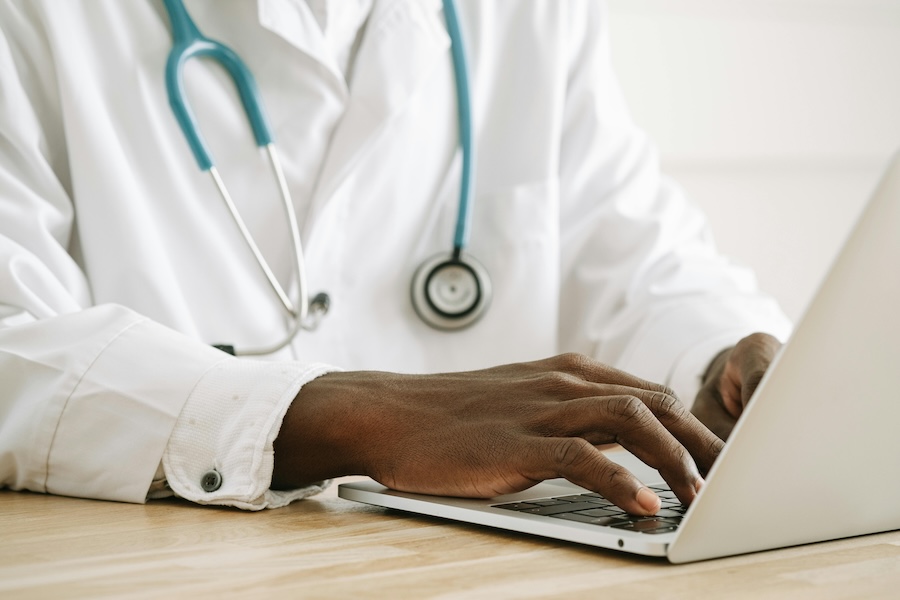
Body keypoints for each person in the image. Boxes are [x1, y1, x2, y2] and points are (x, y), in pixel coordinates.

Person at [0, 0, 790, 516]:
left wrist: (714, 366)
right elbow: (12, 344)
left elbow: (631, 246)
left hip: (464, 567)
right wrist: (341, 418)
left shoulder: (531, 16)